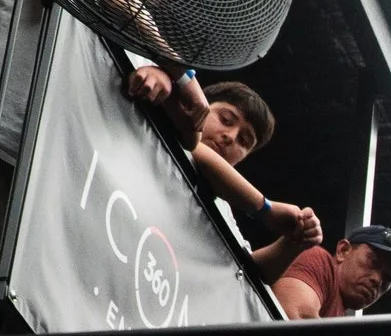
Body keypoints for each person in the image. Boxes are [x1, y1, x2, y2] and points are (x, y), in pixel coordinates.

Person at [121, 70, 321, 281]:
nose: (230, 137)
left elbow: (248, 272)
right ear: (200, 104)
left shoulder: (223, 209)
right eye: (226, 120)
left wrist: (295, 240)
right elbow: (196, 150)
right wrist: (266, 209)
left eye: (244, 141)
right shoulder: (161, 121)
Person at [273, 225, 391, 321]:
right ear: (343, 250)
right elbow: (295, 319)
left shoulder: (339, 314)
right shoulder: (319, 259)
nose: (377, 280)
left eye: (388, 279)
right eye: (373, 262)